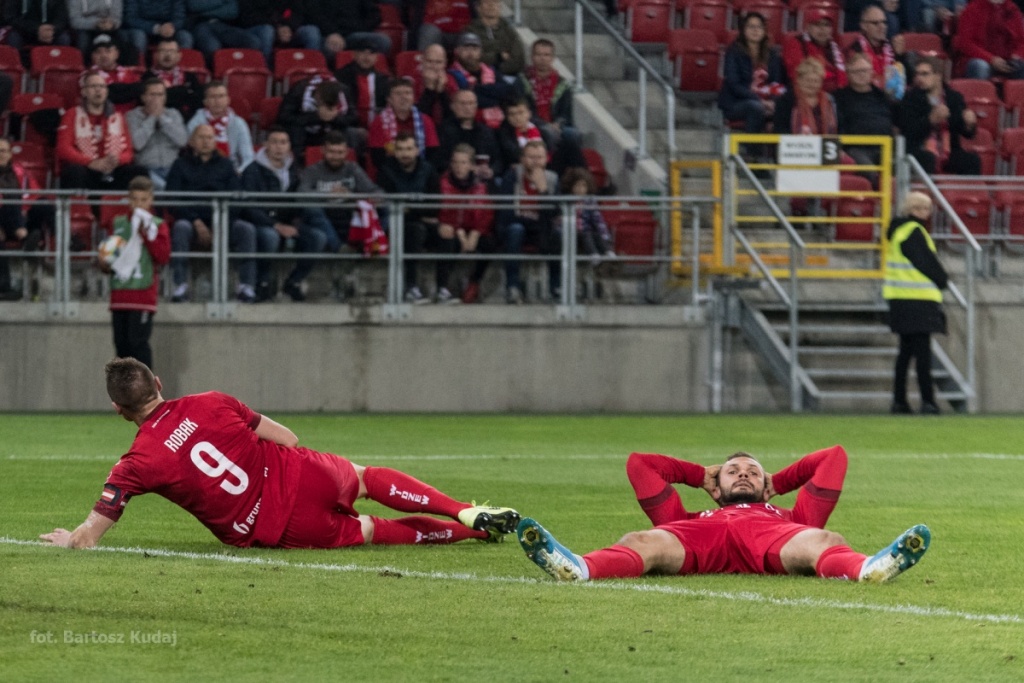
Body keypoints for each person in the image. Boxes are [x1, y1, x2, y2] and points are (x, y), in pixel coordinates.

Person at [40, 357, 521, 550]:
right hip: (302, 472)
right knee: (367, 477)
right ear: (159, 384)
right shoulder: (212, 401)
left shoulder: (135, 464)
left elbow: (91, 535)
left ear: (118, 410)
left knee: (374, 530)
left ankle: (461, 533)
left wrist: (72, 539)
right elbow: (287, 438)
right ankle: (464, 509)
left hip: (277, 525)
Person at [516, 446, 931, 583]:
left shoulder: (788, 512)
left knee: (825, 540)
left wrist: (778, 483)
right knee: (638, 540)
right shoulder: (686, 515)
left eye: (753, 471)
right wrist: (700, 475)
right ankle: (577, 568)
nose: (745, 475)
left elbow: (834, 457)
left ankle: (870, 570)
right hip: (700, 540)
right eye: (734, 471)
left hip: (772, 539)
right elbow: (639, 464)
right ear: (719, 486)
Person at [164, 124, 257, 303]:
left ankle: (247, 286)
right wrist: (196, 222)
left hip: (222, 220)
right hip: (191, 220)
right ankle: (180, 285)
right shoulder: (180, 165)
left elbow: (237, 199)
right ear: (191, 142)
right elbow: (173, 199)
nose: (206, 141)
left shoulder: (226, 165)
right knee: (181, 228)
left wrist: (221, 224)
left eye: (210, 137)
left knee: (247, 229)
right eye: (201, 137)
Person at [238, 126, 328, 303]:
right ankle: (262, 282)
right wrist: (276, 225)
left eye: (283, 142)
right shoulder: (252, 171)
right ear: (265, 145)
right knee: (270, 237)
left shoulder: (295, 171)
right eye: (274, 142)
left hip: (289, 222)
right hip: (262, 223)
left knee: (318, 237)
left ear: (289, 146)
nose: (279, 147)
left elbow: (299, 201)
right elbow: (248, 206)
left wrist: (296, 222)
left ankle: (294, 282)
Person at [884, 191, 947, 415]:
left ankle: (899, 401)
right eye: (919, 208)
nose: (924, 213)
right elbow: (925, 263)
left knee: (905, 353)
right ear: (910, 210)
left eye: (926, 208)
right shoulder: (914, 231)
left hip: (900, 299)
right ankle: (928, 401)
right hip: (918, 301)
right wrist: (943, 280)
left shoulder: (898, 231)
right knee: (922, 354)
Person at [100, 176, 171, 369]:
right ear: (128, 199)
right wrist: (104, 262)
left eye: (143, 199)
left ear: (151, 200)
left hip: (142, 294)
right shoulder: (118, 223)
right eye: (134, 199)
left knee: (137, 344)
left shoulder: (157, 225)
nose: (138, 204)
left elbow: (163, 256)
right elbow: (109, 255)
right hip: (120, 293)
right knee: (121, 347)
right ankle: (126, 395)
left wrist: (145, 234)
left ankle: (146, 394)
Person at [376, 131, 447, 304]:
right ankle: (411, 288)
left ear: (417, 150)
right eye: (400, 149)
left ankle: (442, 289)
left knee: (446, 235)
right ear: (395, 151)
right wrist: (419, 212)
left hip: (421, 222)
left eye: (409, 149)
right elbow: (391, 206)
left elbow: (435, 205)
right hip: (395, 224)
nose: (405, 153)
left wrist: (411, 209)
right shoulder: (386, 171)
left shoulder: (428, 170)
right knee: (414, 231)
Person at [495, 139, 561, 304]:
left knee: (558, 234)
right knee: (516, 229)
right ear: (522, 159)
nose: (535, 161)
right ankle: (513, 287)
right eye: (531, 157)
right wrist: (535, 219)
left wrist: (543, 191)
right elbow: (506, 212)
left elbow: (554, 213)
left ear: (546, 159)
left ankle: (556, 288)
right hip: (515, 227)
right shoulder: (512, 177)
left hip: (541, 229)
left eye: (539, 157)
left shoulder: (552, 179)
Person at [57, 71, 147, 192]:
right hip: (86, 168)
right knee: (74, 171)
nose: (98, 90)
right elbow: (63, 148)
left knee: (138, 172)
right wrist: (91, 163)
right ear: (84, 92)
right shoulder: (72, 114)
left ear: (106, 91)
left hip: (112, 168)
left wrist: (117, 160)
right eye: (93, 86)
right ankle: (77, 210)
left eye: (102, 87)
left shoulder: (118, 116)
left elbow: (128, 152)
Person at [297, 130, 383, 255]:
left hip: (348, 214)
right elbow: (301, 194)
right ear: (323, 151)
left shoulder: (353, 168)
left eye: (340, 153)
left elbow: (376, 191)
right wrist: (328, 195)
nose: (336, 157)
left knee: (385, 210)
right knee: (311, 209)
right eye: (331, 152)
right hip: (324, 214)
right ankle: (339, 248)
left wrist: (352, 196)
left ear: (347, 152)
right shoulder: (312, 171)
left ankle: (371, 246)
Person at [897, 56, 980, 175]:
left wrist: (969, 124)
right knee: (927, 158)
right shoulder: (910, 98)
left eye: (925, 74)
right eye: (917, 74)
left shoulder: (954, 97)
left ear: (938, 75)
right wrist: (930, 120)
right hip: (920, 149)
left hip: (948, 150)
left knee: (972, 160)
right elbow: (908, 132)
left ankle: (969, 193)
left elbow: (967, 133)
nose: (919, 78)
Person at [439, 144, 495, 304]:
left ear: (471, 165)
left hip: (474, 229)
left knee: (489, 244)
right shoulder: (443, 182)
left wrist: (475, 234)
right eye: (455, 162)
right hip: (454, 229)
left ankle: (474, 282)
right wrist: (461, 235)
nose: (459, 167)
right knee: (447, 240)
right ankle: (443, 288)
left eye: (463, 163)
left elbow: (487, 213)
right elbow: (445, 213)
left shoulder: (481, 185)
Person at [518, 39, 585, 163]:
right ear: (532, 57)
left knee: (574, 135)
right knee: (549, 133)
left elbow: (566, 114)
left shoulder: (562, 84)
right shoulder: (522, 80)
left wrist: (558, 124)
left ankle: (576, 175)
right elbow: (521, 109)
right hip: (532, 123)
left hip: (557, 125)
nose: (542, 58)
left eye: (546, 55)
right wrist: (545, 125)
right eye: (538, 54)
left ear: (553, 58)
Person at [719, 13, 785, 135]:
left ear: (764, 31)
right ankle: (753, 152)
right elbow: (734, 85)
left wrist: (773, 102)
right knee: (755, 107)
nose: (755, 30)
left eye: (759, 27)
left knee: (785, 107)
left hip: (767, 101)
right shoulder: (734, 52)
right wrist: (759, 100)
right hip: (737, 102)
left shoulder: (772, 54)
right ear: (743, 30)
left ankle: (777, 151)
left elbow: (777, 83)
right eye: (751, 26)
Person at [834, 52, 896, 170]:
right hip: (855, 148)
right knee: (869, 171)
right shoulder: (838, 98)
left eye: (864, 70)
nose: (861, 74)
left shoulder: (882, 96)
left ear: (871, 72)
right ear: (847, 74)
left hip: (885, 148)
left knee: (900, 167)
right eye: (856, 71)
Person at [368, 77, 441, 174]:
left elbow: (432, 154)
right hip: (390, 173)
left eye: (408, 93)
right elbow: (378, 157)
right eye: (398, 94)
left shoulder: (425, 120)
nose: (404, 97)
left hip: (421, 173)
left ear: (414, 98)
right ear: (389, 99)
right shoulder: (379, 122)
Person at [280, 77, 361, 164]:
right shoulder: (299, 90)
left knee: (353, 133)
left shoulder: (344, 91)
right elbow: (284, 117)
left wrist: (335, 118)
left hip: (334, 131)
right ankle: (298, 163)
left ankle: (350, 164)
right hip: (306, 133)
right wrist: (316, 117)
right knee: (294, 130)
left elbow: (354, 118)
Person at [126, 78, 189, 190]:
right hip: (146, 170)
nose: (156, 99)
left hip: (173, 169)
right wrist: (152, 118)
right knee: (166, 189)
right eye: (152, 95)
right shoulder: (132, 116)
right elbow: (136, 144)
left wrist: (162, 119)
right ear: (143, 97)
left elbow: (182, 141)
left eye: (160, 95)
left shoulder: (173, 114)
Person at [447, 31, 513, 130]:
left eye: (474, 49)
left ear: (480, 52)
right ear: (457, 51)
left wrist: (478, 89)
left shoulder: (490, 70)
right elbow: (468, 101)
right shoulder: (452, 74)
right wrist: (495, 96)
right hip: (469, 126)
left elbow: (507, 92)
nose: (470, 53)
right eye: (466, 48)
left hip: (499, 124)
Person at [186, 80, 254, 173]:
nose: (217, 101)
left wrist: (239, 172)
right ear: (205, 101)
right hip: (202, 171)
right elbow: (192, 154)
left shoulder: (239, 123)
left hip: (232, 171)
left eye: (221, 96)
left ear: (228, 100)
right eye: (213, 97)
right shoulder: (195, 123)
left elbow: (248, 157)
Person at [438, 88, 502, 181]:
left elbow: (498, 160)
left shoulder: (486, 132)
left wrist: (491, 171)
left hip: (483, 182)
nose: (467, 107)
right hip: (452, 181)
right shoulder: (443, 130)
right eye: (463, 103)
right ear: (452, 106)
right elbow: (438, 161)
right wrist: (467, 169)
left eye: (471, 103)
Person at [847, 5, 907, 100]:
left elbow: (904, 80)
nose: (882, 27)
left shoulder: (892, 47)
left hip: (892, 99)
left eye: (884, 22)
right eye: (875, 23)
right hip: (866, 100)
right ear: (864, 26)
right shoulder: (855, 50)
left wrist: (900, 56)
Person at [952, 0, 1024, 80]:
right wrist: (991, 59)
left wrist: (1017, 55)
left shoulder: (1013, 9)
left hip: (1008, 61)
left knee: (1020, 66)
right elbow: (965, 43)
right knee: (980, 66)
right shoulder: (972, 9)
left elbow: (1021, 41)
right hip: (979, 59)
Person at [304, 0, 389, 65]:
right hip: (326, 35)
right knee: (328, 47)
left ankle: (368, 73)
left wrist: (360, 27)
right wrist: (332, 32)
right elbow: (314, 15)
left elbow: (374, 14)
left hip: (354, 34)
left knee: (383, 41)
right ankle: (321, 72)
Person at [781, 9, 847, 93]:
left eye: (826, 25)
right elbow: (797, 73)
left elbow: (845, 74)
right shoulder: (796, 43)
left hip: (836, 93)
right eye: (817, 24)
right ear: (808, 27)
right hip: (806, 91)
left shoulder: (834, 47)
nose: (822, 29)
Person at [560, 168, 614, 262]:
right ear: (571, 187)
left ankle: (608, 252)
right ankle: (593, 255)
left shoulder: (590, 201)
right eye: (577, 186)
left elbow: (597, 219)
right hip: (573, 231)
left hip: (586, 229)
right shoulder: (566, 201)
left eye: (583, 186)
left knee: (596, 234)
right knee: (587, 234)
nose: (580, 189)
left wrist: (605, 236)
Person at [144, 36, 204, 120]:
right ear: (156, 55)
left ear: (179, 55)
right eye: (163, 51)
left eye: (171, 51)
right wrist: (185, 92)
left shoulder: (190, 76)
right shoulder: (147, 77)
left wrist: (171, 93)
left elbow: (198, 100)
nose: (167, 55)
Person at [334, 38, 390, 128]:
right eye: (363, 52)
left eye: (371, 53)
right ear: (354, 55)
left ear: (376, 58)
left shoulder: (383, 79)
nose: (367, 57)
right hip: (349, 126)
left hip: (378, 126)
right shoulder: (341, 76)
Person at [773, 58, 838, 135]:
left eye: (816, 81)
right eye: (808, 80)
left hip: (825, 145)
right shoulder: (785, 101)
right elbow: (781, 129)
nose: (812, 84)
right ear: (798, 80)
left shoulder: (829, 100)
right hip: (795, 145)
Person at [185, 0, 262, 64]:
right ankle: (215, 79)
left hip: (223, 25)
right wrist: (222, 2)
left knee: (253, 42)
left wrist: (204, 12)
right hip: (201, 25)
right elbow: (194, 5)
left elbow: (233, 11)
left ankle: (240, 77)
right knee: (213, 48)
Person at [87, 32, 144, 114]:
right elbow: (109, 95)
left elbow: (140, 92)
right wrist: (132, 90)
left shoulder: (129, 73)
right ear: (92, 56)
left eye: (108, 51)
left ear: (116, 54)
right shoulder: (88, 76)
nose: (103, 55)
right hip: (103, 120)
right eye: (98, 52)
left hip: (131, 120)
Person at [466, 0, 526, 79]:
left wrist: (496, 69)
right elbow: (471, 58)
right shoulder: (470, 31)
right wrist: (498, 56)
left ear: (500, 7)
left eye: (495, 2)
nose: (491, 5)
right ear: (478, 8)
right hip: (478, 76)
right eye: (487, 2)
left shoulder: (509, 32)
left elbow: (519, 60)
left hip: (508, 76)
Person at [122, 0, 195, 57]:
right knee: (138, 37)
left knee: (185, 37)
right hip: (142, 28)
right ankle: (138, 68)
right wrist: (156, 28)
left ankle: (182, 72)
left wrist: (173, 26)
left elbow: (180, 18)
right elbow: (130, 18)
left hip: (168, 29)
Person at [2, 0, 71, 55]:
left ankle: (58, 67)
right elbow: (11, 17)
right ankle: (18, 68)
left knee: (64, 38)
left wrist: (52, 30)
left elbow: (62, 18)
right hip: (25, 31)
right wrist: (37, 29)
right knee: (14, 38)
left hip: (49, 32)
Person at [412, 43, 451, 126]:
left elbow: (453, 117)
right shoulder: (412, 81)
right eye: (429, 61)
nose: (433, 66)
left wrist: (442, 92)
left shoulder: (452, 81)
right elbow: (417, 117)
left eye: (438, 62)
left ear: (445, 63)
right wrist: (429, 90)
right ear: (422, 61)